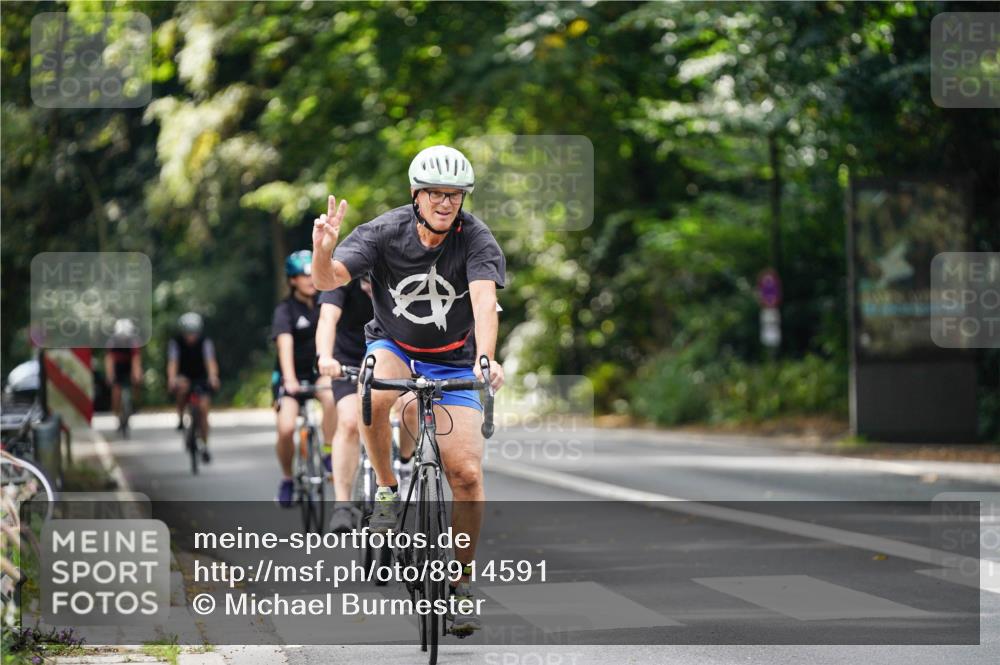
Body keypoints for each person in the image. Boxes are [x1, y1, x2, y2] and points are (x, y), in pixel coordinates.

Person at [312, 144, 505, 635]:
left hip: (454, 359)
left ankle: (460, 585)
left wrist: (485, 358)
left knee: (467, 475)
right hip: (395, 345)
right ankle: (386, 490)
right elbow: (328, 278)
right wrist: (323, 249)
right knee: (372, 387)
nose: (445, 202)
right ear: (416, 195)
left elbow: (484, 303)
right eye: (435, 193)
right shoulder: (383, 232)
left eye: (455, 195)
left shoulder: (476, 238)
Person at [315, 275, 415, 533]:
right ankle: (342, 505)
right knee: (349, 422)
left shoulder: (403, 273)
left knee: (411, 406)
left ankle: (406, 467)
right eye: (366, 285)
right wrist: (325, 356)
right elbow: (327, 318)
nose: (371, 290)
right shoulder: (343, 277)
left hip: (396, 360)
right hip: (348, 362)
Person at [272, 250, 337, 508]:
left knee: (331, 397)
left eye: (313, 274)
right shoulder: (285, 310)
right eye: (303, 275)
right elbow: (284, 345)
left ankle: (328, 452)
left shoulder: (326, 304)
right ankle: (287, 478)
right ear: (292, 280)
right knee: (286, 428)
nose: (310, 279)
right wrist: (289, 380)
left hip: (318, 372)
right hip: (291, 376)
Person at [167, 312, 220, 461]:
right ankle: (180, 417)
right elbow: (173, 362)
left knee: (203, 409)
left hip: (200, 377)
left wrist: (213, 377)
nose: (191, 336)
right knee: (181, 391)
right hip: (183, 376)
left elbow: (210, 361)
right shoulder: (176, 342)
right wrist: (172, 379)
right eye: (188, 333)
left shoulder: (205, 342)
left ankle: (205, 444)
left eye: (194, 333)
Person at [105, 318, 143, 433]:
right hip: (117, 367)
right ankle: (117, 414)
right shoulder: (112, 343)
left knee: (137, 381)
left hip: (129, 365)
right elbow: (109, 360)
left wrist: (136, 375)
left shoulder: (133, 342)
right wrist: (110, 376)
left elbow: (136, 360)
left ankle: (134, 404)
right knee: (116, 392)